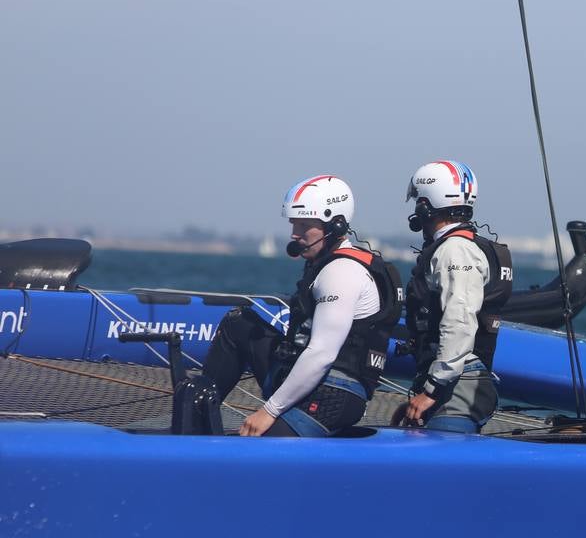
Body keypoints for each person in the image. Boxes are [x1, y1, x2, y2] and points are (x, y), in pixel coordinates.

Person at [189, 175, 402, 437]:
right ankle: (194, 427)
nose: (294, 234)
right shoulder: (328, 264)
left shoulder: (341, 273)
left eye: (303, 226)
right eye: (293, 225)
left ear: (334, 225)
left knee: (250, 448)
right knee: (239, 324)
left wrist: (269, 411)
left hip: (331, 395)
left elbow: (322, 354)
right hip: (317, 384)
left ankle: (191, 439)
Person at [400, 160, 513, 433]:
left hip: (458, 384)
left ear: (427, 206)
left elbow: (459, 321)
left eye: (418, 202)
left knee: (435, 467)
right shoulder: (465, 246)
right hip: (457, 380)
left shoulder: (455, 250)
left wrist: (432, 390)